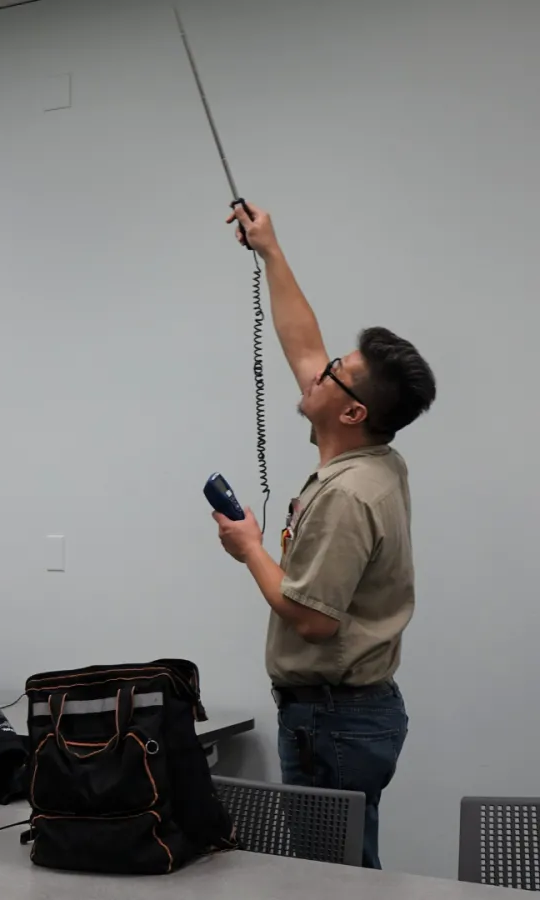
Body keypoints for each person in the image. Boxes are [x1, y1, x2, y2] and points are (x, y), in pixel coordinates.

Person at [211, 201, 436, 869]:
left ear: (352, 409)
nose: (314, 370)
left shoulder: (348, 494)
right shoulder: (370, 457)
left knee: (330, 878)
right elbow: (303, 345)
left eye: (332, 372)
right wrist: (271, 251)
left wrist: (249, 548)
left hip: (333, 723)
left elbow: (311, 621)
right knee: (342, 869)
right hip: (346, 717)